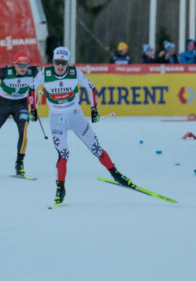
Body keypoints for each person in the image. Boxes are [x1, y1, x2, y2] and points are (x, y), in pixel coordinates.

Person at [30, 47, 135, 206]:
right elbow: (31, 88)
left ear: (67, 62)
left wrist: (94, 110)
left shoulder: (74, 73)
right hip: (57, 119)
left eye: (63, 63)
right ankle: (60, 189)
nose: (60, 66)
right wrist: (32, 109)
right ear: (53, 62)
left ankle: (116, 175)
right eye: (57, 62)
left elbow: (91, 88)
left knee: (96, 149)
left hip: (76, 117)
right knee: (63, 154)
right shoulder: (45, 74)